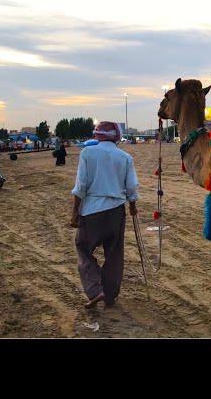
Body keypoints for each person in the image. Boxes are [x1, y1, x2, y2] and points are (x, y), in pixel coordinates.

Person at [70, 121, 139, 309]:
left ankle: (95, 290)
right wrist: (132, 206)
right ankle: (110, 295)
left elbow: (81, 186)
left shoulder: (87, 153)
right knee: (114, 253)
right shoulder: (125, 157)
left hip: (92, 210)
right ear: (116, 137)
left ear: (97, 135)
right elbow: (131, 187)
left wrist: (75, 213)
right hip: (117, 210)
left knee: (83, 248)